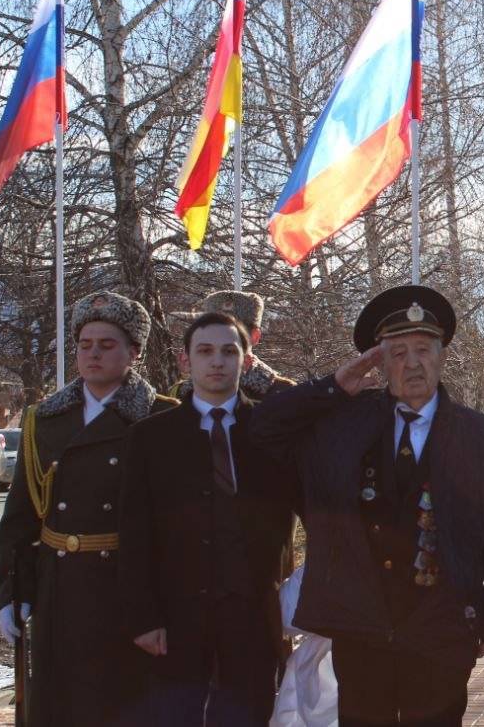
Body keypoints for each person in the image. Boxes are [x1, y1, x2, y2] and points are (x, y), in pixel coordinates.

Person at [249, 285, 484, 727]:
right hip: (361, 625)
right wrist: (334, 388)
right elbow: (262, 430)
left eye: (423, 349)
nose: (412, 363)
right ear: (379, 363)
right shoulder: (342, 425)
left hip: (441, 627)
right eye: (396, 353)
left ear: (443, 358)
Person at [0, 290, 177, 726]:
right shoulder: (45, 418)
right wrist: (13, 593)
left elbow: (176, 525)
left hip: (130, 594)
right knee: (62, 706)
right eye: (84, 345)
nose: (93, 354)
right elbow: (21, 516)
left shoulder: (162, 417)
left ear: (134, 352)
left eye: (107, 345)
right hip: (61, 589)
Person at [120, 311, 295, 726]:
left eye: (228, 351)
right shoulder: (149, 438)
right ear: (186, 362)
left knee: (249, 714)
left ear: (247, 361)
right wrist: (144, 618)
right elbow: (134, 534)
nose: (217, 361)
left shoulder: (272, 430)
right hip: (176, 617)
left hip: (252, 613)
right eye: (204, 351)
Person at [170, 290, 295, 401]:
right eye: (214, 330)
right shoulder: (184, 392)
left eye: (236, 331)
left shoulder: (283, 393)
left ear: (255, 336)